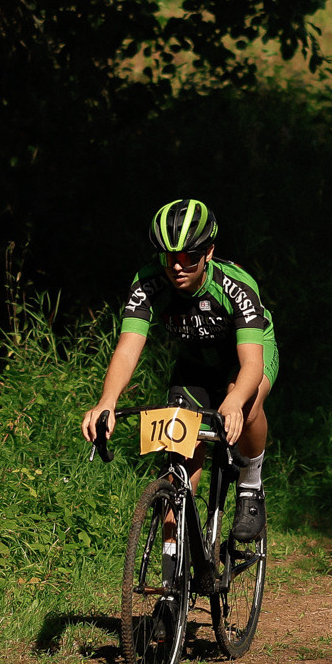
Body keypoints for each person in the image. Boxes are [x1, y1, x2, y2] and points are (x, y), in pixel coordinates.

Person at [81, 199, 276, 540]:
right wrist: (106, 401)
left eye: (189, 257)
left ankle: (251, 485)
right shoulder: (148, 283)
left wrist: (232, 402)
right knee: (177, 473)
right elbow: (127, 349)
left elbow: (251, 364)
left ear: (209, 253)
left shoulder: (235, 285)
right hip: (195, 364)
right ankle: (173, 581)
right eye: (169, 257)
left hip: (245, 357)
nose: (177, 266)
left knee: (244, 402)